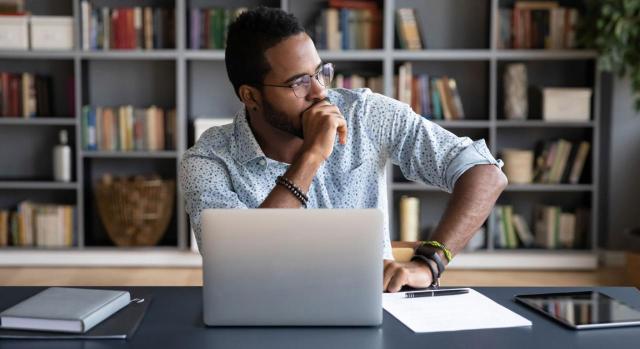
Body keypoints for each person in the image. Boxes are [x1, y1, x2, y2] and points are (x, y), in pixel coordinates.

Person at [179, 7, 507, 293]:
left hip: (375, 302)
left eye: (320, 72)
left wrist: (431, 262)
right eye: (298, 83)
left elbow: (486, 173)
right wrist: (311, 156)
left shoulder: (365, 113)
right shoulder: (208, 161)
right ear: (250, 96)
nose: (321, 92)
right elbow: (237, 266)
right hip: (266, 315)